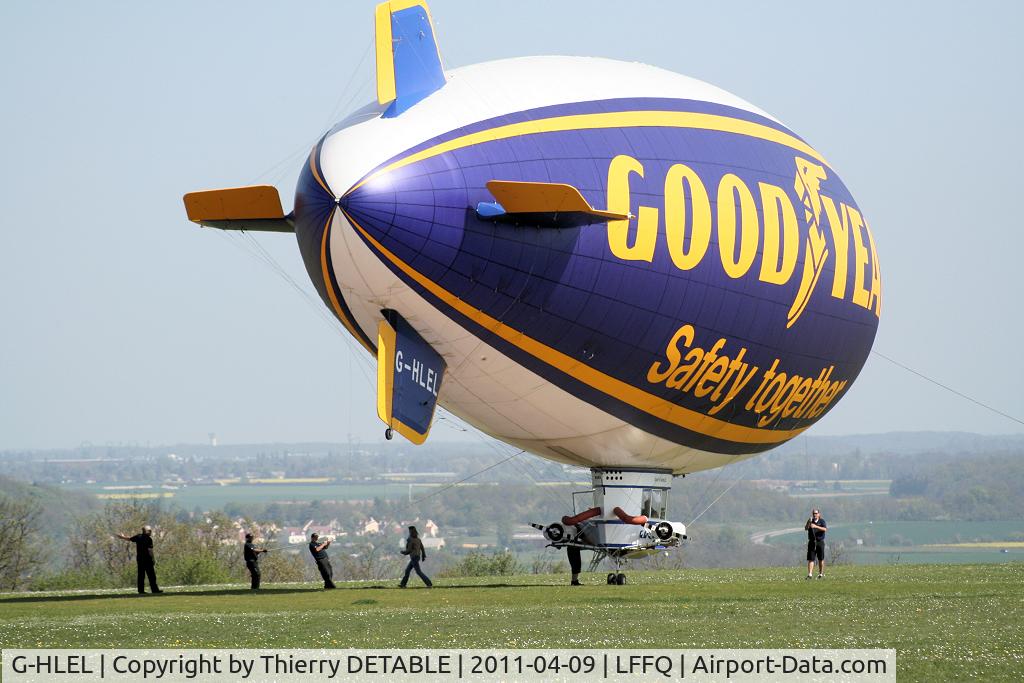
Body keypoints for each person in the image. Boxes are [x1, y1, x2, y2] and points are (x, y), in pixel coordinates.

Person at [115, 525, 163, 594]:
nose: (151, 532)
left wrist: (122, 537)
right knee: (151, 576)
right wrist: (153, 559)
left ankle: (141, 590)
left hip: (140, 559)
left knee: (141, 575)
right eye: (150, 531)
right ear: (146, 531)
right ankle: (154, 590)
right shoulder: (149, 539)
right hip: (147, 559)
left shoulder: (138, 537)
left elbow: (129, 539)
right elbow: (150, 550)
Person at [804, 508, 827, 579]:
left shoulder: (822, 521)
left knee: (821, 559)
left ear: (819, 514)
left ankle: (820, 573)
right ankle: (810, 574)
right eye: (814, 513)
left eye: (816, 513)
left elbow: (825, 529)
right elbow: (806, 528)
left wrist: (816, 526)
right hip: (812, 542)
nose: (815, 515)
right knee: (811, 559)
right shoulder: (811, 521)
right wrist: (808, 522)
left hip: (820, 542)